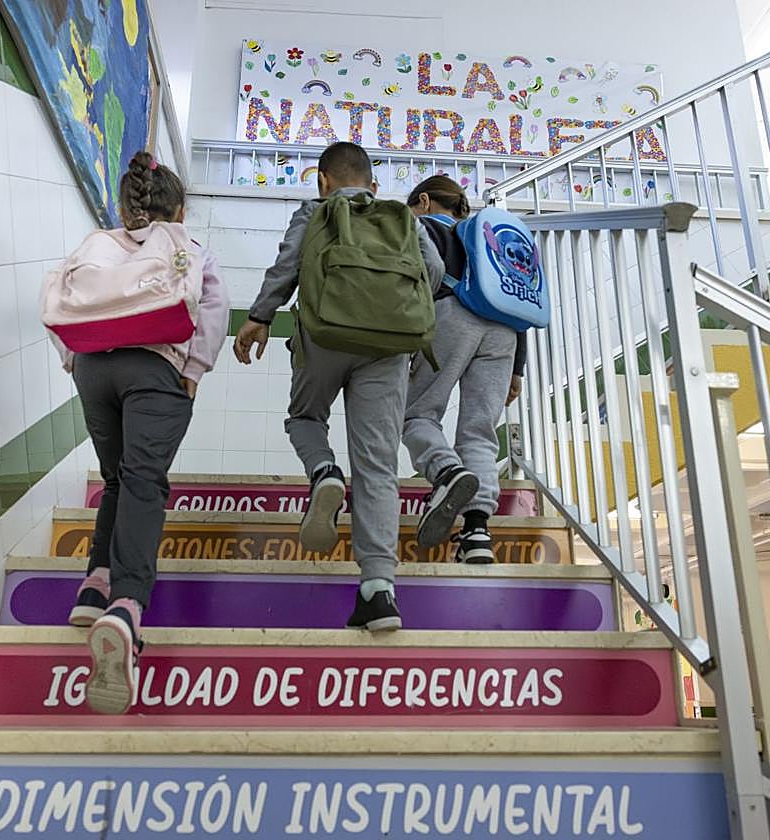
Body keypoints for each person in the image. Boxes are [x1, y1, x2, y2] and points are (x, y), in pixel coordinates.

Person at [234, 142, 445, 631]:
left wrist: (260, 317)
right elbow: (432, 274)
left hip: (323, 337)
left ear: (323, 180)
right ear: (373, 185)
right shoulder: (403, 217)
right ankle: (378, 591)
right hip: (388, 349)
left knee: (305, 418)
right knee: (376, 463)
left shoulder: (315, 210)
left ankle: (324, 472)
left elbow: (287, 266)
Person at [54, 152, 230, 714]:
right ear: (177, 209)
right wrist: (193, 369)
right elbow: (215, 308)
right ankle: (127, 606)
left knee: (115, 476)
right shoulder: (186, 246)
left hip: (93, 369)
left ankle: (93, 585)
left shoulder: (95, 243)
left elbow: (63, 298)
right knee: (144, 482)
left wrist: (72, 361)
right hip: (154, 369)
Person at [403, 175, 527, 563]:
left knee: (417, 414)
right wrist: (517, 367)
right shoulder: (490, 238)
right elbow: (514, 294)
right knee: (479, 430)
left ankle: (447, 472)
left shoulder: (421, 227)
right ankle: (476, 531)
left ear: (423, 201)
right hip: (505, 330)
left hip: (450, 316)